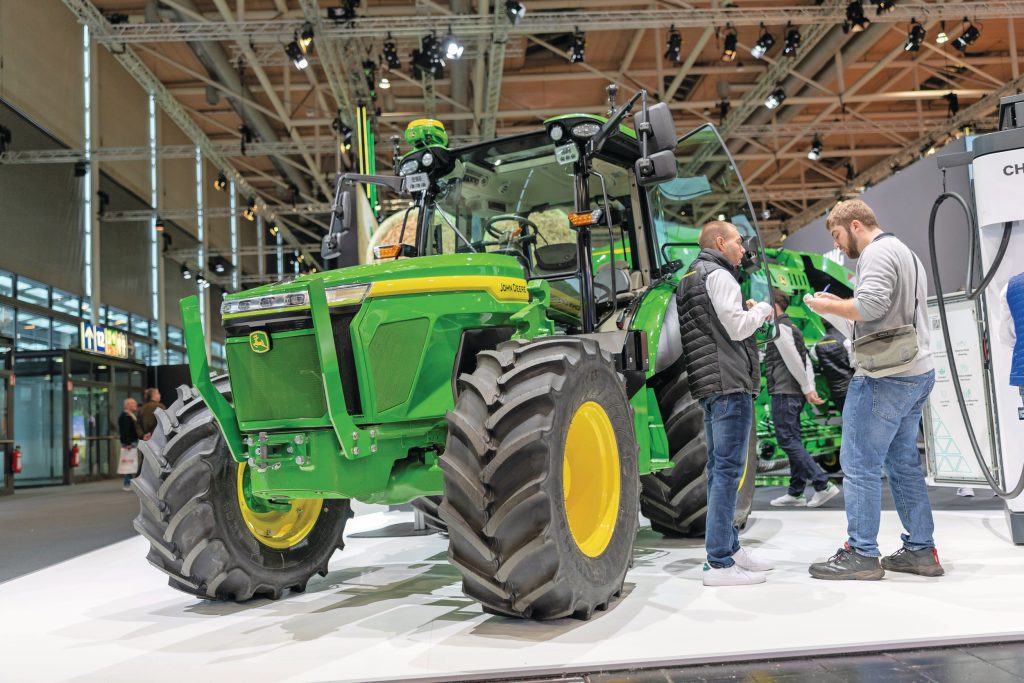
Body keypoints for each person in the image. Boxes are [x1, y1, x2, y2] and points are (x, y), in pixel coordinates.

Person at [804, 199, 943, 580]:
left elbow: (871, 307)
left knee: (859, 463)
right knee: (902, 464)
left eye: (837, 235)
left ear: (855, 225)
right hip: (916, 371)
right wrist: (837, 305)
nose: (838, 245)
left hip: (885, 376)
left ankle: (862, 553)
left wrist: (826, 307)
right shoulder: (905, 253)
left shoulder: (876, 253)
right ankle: (921, 550)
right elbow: (881, 313)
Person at [676, 220, 775, 586]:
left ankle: (730, 549)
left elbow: (716, 328)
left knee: (720, 471)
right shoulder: (719, 275)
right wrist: (761, 310)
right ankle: (719, 561)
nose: (743, 248)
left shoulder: (690, 279)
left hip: (711, 385)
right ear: (720, 242)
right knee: (728, 474)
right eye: (737, 241)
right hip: (730, 384)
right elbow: (736, 328)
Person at [767, 291, 841, 509]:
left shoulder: (779, 328)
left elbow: (794, 360)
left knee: (787, 440)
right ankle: (796, 491)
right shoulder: (792, 327)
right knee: (794, 440)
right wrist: (808, 388)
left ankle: (822, 484)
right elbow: (805, 360)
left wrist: (808, 388)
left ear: (774, 304)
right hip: (793, 393)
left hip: (784, 392)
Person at [813, 320, 854, 414]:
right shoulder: (846, 341)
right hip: (852, 389)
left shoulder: (817, 346)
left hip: (836, 392)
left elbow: (815, 359)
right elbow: (856, 365)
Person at [117, 398, 142, 491]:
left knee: (130, 462)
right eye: (133, 404)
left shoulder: (130, 415)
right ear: (128, 405)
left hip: (131, 442)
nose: (135, 405)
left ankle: (129, 483)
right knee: (129, 463)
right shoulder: (126, 416)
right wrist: (127, 443)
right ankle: (127, 484)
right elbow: (124, 431)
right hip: (130, 443)